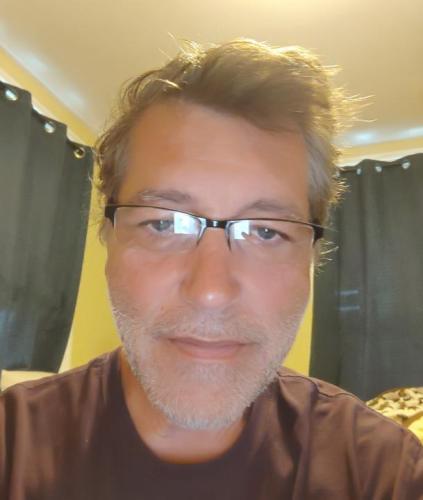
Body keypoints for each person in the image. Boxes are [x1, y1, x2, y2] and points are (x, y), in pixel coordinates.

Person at [1, 39, 422, 499]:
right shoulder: (12, 444)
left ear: (312, 257)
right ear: (108, 235)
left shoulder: (382, 469)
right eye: (164, 223)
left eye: (265, 231)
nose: (210, 291)